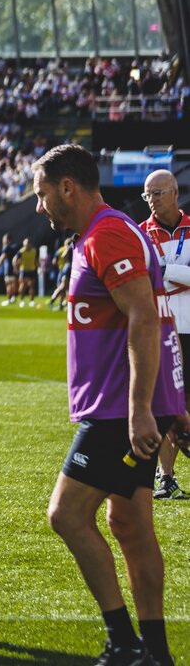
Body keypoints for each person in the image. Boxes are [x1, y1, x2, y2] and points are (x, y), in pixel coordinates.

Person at [33, 145, 188, 666]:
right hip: (128, 404)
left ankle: (123, 642)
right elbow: (157, 314)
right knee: (129, 524)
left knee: (67, 514)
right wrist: (171, 403)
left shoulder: (108, 234)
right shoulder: (105, 233)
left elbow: (144, 316)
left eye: (42, 194)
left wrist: (144, 409)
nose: (40, 206)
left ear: (67, 187)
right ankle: (156, 654)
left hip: (119, 411)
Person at [139, 168, 190, 501]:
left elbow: (155, 275)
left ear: (175, 193)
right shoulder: (140, 233)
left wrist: (165, 272)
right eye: (147, 194)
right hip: (160, 330)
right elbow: (141, 279)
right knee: (168, 405)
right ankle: (166, 477)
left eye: (157, 193)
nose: (152, 200)